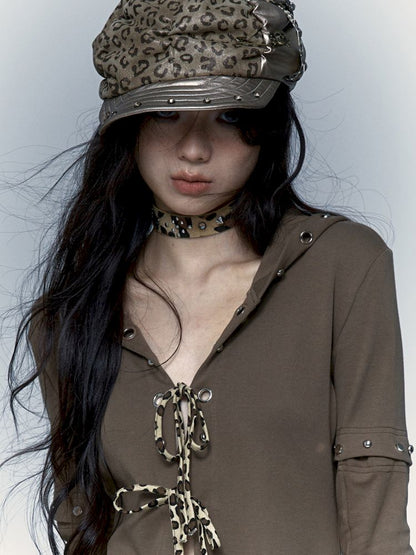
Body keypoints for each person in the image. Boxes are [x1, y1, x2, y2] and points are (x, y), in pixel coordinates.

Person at [8, 0, 413, 553]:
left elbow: (375, 485)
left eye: (229, 116)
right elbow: (82, 519)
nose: (194, 149)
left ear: (267, 125)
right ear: (128, 124)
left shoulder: (342, 265)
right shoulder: (69, 316)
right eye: (166, 112)